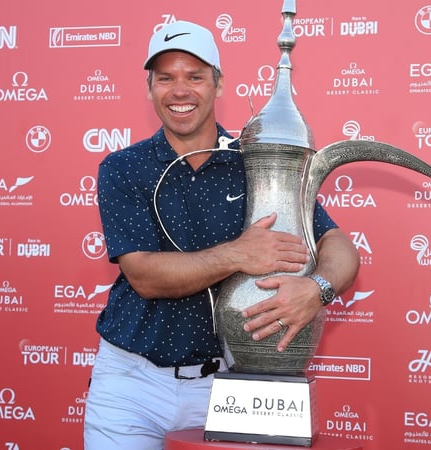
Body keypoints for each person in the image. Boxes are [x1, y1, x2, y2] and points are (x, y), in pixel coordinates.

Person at [84, 19, 360, 450]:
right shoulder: (123, 168)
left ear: (218, 84)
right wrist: (238, 254)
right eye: (166, 78)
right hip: (129, 386)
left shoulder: (255, 162)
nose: (180, 91)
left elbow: (337, 244)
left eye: (195, 77)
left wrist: (317, 288)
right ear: (149, 87)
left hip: (226, 387)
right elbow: (145, 276)